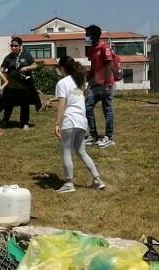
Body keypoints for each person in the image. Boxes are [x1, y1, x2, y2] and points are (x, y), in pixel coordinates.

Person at [53, 56, 106, 194]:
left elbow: (62, 103)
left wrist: (57, 123)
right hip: (82, 121)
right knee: (81, 151)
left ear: (62, 68)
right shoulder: (79, 82)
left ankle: (69, 183)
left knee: (66, 151)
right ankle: (97, 180)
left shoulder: (62, 83)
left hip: (69, 120)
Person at [85, 24, 116, 148]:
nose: (85, 37)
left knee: (107, 110)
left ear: (93, 36)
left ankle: (108, 137)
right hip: (95, 85)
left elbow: (109, 65)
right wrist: (88, 84)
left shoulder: (104, 47)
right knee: (87, 107)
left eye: (87, 35)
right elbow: (93, 68)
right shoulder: (92, 48)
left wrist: (108, 85)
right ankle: (93, 135)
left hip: (105, 84)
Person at [0, 37, 40, 131]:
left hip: (25, 84)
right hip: (12, 85)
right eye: (12, 46)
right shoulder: (8, 57)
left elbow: (35, 65)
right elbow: (1, 69)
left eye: (15, 46)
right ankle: (5, 121)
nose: (13, 47)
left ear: (20, 46)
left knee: (24, 103)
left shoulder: (26, 54)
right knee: (8, 103)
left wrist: (27, 68)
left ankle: (24, 123)